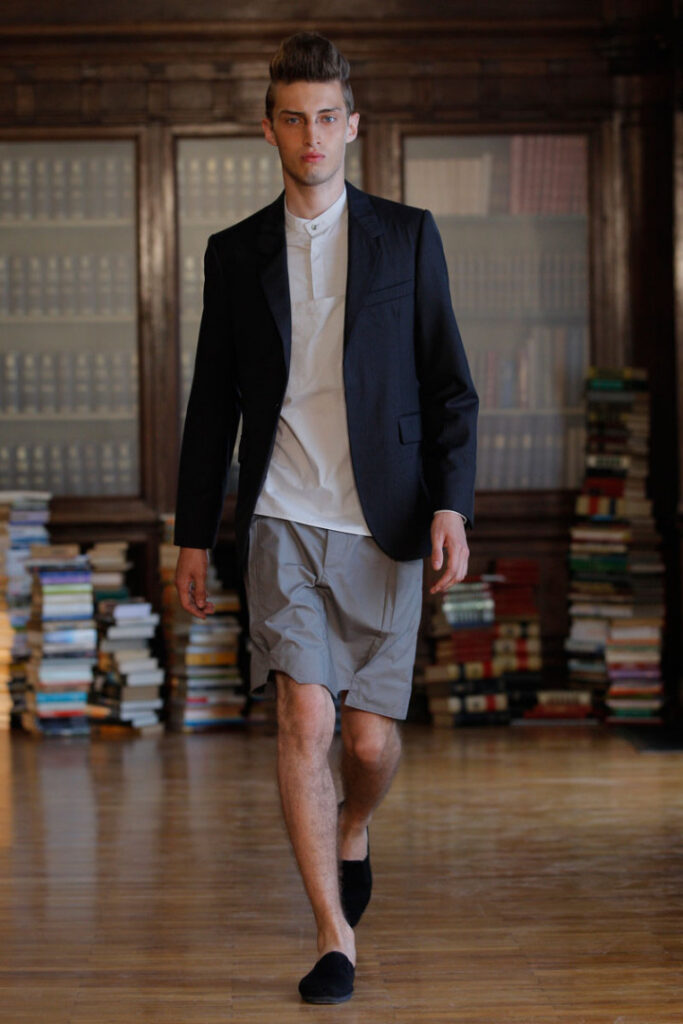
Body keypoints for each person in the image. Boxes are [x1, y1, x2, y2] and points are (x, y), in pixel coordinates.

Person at [173, 31, 478, 1005]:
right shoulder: (234, 254)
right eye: (292, 118)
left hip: (384, 522)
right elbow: (210, 405)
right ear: (267, 129)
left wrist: (451, 504)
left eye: (326, 117)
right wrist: (191, 533)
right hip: (279, 517)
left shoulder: (407, 236)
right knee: (303, 713)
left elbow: (449, 387)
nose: (310, 135)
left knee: (367, 743)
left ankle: (353, 824)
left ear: (352, 126)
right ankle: (331, 934)